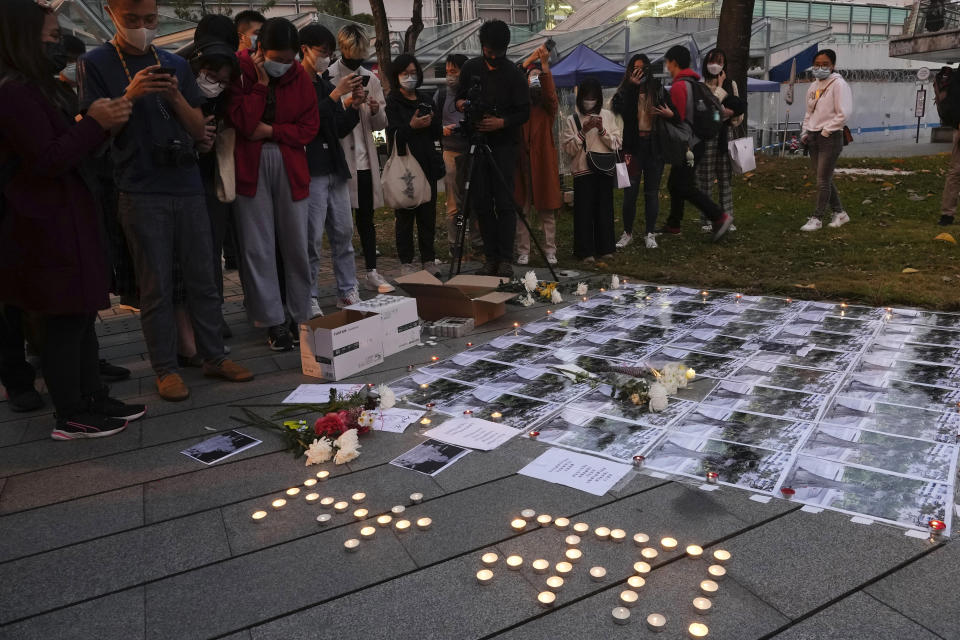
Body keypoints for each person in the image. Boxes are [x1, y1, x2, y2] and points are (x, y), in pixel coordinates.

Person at [79, 0, 254, 402]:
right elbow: (95, 131)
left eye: (150, 19)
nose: (143, 27)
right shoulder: (97, 62)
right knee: (155, 284)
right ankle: (165, 368)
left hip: (187, 183)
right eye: (133, 20)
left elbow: (198, 130)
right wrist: (132, 92)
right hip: (138, 187)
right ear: (111, 13)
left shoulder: (175, 63)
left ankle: (213, 355)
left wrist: (176, 97)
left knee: (203, 279)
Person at [0, 0, 141, 437]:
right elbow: (46, 159)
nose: (56, 43)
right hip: (44, 223)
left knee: (82, 313)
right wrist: (93, 122)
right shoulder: (12, 92)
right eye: (48, 37)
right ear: (22, 39)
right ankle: (71, 412)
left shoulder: (43, 87)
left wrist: (100, 124)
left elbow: (70, 144)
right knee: (64, 317)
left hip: (71, 213)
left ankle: (92, 395)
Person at [229, 18, 320, 351]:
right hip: (250, 167)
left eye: (288, 59)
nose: (283, 65)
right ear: (258, 49)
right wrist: (261, 84)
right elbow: (242, 121)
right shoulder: (241, 70)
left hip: (290, 164)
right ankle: (272, 320)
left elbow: (309, 128)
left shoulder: (301, 78)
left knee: (297, 242)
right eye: (275, 58)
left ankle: (299, 313)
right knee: (258, 246)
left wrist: (272, 131)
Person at [183, 14, 240, 365]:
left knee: (212, 249)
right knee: (195, 255)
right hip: (183, 178)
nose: (219, 77)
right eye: (212, 68)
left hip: (215, 175)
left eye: (226, 69)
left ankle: (212, 317)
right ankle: (196, 325)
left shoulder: (229, 83)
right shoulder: (178, 73)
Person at [456, 20, 530, 278]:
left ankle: (506, 258)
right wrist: (463, 104)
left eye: (499, 51)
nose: (494, 55)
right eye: (489, 50)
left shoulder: (513, 74)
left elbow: (524, 111)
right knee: (482, 202)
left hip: (504, 147)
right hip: (476, 143)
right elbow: (458, 98)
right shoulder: (470, 68)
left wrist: (501, 122)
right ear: (483, 46)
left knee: (506, 203)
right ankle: (490, 257)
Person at [300, 23, 364, 314]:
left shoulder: (324, 83)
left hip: (334, 168)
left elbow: (336, 127)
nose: (326, 58)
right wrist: (337, 95)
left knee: (342, 233)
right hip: (310, 168)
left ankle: (347, 290)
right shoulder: (298, 83)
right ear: (305, 50)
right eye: (321, 52)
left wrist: (353, 108)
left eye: (329, 53)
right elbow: (308, 123)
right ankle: (309, 294)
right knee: (312, 238)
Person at [327, 25, 394, 294]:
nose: (357, 60)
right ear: (342, 50)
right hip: (341, 159)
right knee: (341, 224)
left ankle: (372, 271)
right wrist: (346, 100)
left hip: (367, 159)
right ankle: (345, 278)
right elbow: (327, 117)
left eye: (360, 54)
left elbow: (380, 127)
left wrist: (377, 112)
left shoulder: (371, 78)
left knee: (366, 219)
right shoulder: (329, 76)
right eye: (352, 54)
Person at [659, 45, 734, 242]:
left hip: (687, 144)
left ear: (674, 63)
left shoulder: (678, 86)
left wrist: (667, 116)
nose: (667, 66)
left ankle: (719, 216)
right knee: (675, 183)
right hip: (698, 141)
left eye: (667, 62)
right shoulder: (694, 83)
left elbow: (680, 118)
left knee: (684, 185)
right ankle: (674, 223)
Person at [386, 54, 443, 273]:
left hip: (427, 162)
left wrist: (431, 121)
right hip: (405, 165)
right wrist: (412, 126)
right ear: (396, 76)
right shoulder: (392, 101)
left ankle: (429, 259)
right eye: (404, 73)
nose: (410, 77)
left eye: (413, 73)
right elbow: (392, 135)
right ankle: (406, 262)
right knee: (405, 214)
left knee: (428, 214)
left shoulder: (426, 98)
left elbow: (437, 132)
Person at [561, 77, 622, 263]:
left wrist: (602, 131)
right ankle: (584, 250)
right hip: (582, 171)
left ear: (599, 98)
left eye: (593, 97)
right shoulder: (572, 119)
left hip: (604, 168)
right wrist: (583, 132)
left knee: (605, 209)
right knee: (584, 212)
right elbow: (569, 149)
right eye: (586, 96)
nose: (589, 101)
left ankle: (606, 248)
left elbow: (617, 143)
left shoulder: (608, 116)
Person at [611, 53, 666, 251]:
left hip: (653, 144)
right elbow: (619, 112)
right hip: (632, 146)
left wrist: (667, 114)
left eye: (643, 68)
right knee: (630, 191)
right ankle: (627, 232)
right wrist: (632, 87)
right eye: (635, 68)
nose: (639, 72)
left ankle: (650, 233)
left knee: (652, 192)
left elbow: (671, 111)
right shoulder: (625, 90)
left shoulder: (657, 89)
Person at [514, 45, 561, 266]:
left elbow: (551, 96)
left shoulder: (547, 109)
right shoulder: (520, 109)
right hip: (522, 165)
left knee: (546, 211)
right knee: (522, 210)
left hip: (542, 165)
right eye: (531, 76)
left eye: (537, 77)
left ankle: (550, 250)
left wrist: (544, 67)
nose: (534, 80)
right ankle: (524, 250)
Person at [434, 53, 483, 261]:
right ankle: (455, 247)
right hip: (451, 153)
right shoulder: (442, 95)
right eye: (447, 72)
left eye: (454, 71)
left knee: (476, 202)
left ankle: (478, 245)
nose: (450, 76)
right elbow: (432, 124)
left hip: (473, 152)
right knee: (454, 204)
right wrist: (443, 130)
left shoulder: (475, 95)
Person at [800, 49, 852, 232]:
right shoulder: (814, 86)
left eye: (825, 65)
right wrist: (805, 131)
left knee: (822, 180)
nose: (820, 68)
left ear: (833, 66)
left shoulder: (838, 84)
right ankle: (840, 213)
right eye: (817, 65)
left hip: (830, 137)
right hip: (813, 136)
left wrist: (827, 130)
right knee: (824, 178)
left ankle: (817, 217)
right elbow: (809, 111)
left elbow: (843, 113)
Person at [696, 48, 746, 234]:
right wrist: (719, 86)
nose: (715, 64)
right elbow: (706, 110)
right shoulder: (700, 85)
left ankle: (727, 217)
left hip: (725, 134)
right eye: (712, 60)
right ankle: (706, 219)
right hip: (706, 136)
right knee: (705, 179)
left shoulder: (730, 83)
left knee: (725, 178)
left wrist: (730, 114)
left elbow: (738, 108)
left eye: (719, 61)